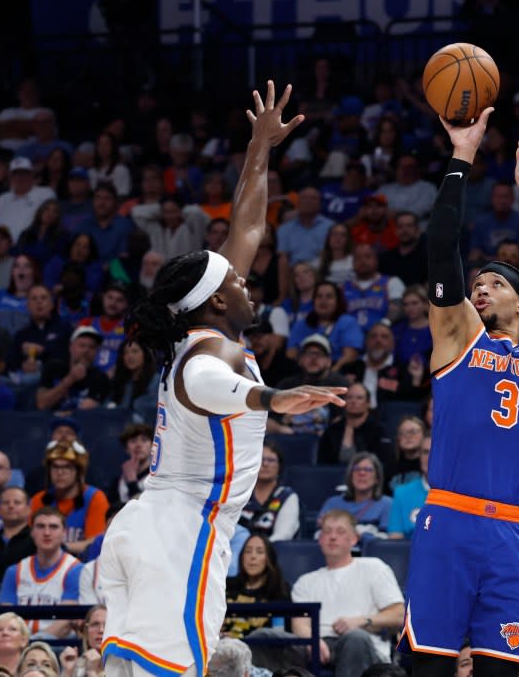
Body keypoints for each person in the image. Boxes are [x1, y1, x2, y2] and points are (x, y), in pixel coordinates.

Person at [100, 81, 345, 677]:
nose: (246, 281)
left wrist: (260, 147)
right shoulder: (206, 356)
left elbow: (250, 224)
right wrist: (270, 396)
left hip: (152, 524)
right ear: (213, 302)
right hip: (178, 532)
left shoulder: (203, 333)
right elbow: (206, 383)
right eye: (235, 283)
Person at [398, 109, 519, 673]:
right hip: (448, 520)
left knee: (505, 670)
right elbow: (441, 247)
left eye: (495, 284)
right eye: (477, 284)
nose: (481, 290)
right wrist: (462, 157)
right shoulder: (455, 340)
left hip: (509, 529)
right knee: (428, 666)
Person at [250, 510, 404, 677]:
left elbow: (399, 615)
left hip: (363, 643)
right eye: (327, 531)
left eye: (340, 532)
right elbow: (300, 625)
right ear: (320, 539)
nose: (332, 537)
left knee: (355, 638)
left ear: (353, 539)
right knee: (263, 636)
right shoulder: (305, 581)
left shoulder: (374, 567)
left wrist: (361, 621)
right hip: (317, 643)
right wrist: (314, 640)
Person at [0, 508, 81, 637]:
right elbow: (6, 617)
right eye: (40, 526)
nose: (46, 533)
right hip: (18, 640)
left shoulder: (75, 569)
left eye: (53, 527)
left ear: (64, 533)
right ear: (32, 532)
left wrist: (35, 643)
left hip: (57, 642)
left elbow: (65, 621)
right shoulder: (14, 571)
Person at [28, 440, 110, 556]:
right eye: (55, 467)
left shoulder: (95, 498)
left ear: (78, 472)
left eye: (67, 467)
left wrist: (59, 547)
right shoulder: (39, 499)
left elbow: (95, 542)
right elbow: (30, 539)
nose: (60, 472)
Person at [222, 535, 291, 639]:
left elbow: (279, 634)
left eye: (259, 552)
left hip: (259, 650)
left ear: (269, 558)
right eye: (248, 551)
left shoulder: (279, 591)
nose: (252, 556)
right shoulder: (226, 585)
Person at [317, 385, 393, 470]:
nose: (353, 401)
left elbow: (385, 463)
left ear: (368, 403)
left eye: (359, 398)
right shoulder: (332, 430)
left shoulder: (379, 430)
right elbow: (322, 465)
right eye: (349, 397)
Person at [35, 326, 110, 412]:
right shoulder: (53, 368)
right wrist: (70, 379)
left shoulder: (100, 378)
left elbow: (88, 412)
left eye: (92, 347)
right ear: (71, 347)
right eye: (82, 346)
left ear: (96, 352)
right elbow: (42, 404)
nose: (86, 350)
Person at [317, 452, 392, 538]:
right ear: (350, 476)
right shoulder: (332, 503)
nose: (362, 473)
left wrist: (361, 536)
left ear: (377, 479)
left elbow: (385, 540)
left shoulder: (387, 504)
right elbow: (319, 536)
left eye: (368, 470)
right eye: (357, 469)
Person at [238, 443, 299, 541]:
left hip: (273, 553)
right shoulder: (240, 492)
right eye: (261, 459)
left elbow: (283, 535)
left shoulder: (286, 496)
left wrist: (258, 550)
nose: (265, 464)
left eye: (271, 460)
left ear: (279, 467)